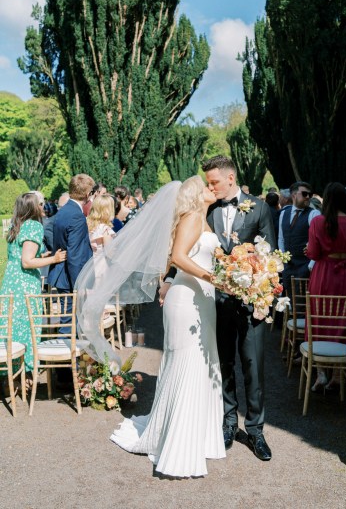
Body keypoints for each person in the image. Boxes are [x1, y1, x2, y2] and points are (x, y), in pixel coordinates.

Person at [76, 177, 225, 478]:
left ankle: (201, 438)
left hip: (201, 302)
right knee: (187, 365)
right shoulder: (193, 217)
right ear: (197, 193)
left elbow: (198, 257)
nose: (213, 188)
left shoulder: (203, 219)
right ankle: (178, 444)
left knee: (201, 364)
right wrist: (214, 279)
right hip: (187, 301)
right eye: (208, 186)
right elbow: (178, 258)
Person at [201, 155, 276, 461]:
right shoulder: (207, 209)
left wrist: (263, 299)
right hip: (216, 301)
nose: (210, 186)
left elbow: (271, 256)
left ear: (230, 178)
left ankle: (256, 431)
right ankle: (228, 422)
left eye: (214, 181)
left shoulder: (259, 208)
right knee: (224, 363)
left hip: (250, 302)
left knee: (253, 366)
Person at [0, 193, 66, 382]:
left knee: (11, 329)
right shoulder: (34, 226)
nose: (43, 207)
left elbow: (20, 256)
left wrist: (43, 256)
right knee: (28, 328)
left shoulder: (17, 225)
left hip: (11, 282)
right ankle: (26, 374)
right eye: (40, 204)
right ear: (32, 207)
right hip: (24, 285)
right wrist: (54, 259)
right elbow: (27, 262)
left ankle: (10, 376)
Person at [306, 182, 346, 391]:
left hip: (324, 274)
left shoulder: (319, 222)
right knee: (343, 318)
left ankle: (321, 373)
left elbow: (312, 253)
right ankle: (338, 374)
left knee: (320, 317)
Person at [48, 173, 94, 368]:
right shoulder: (76, 216)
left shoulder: (63, 211)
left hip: (60, 274)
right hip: (70, 278)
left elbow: (52, 238)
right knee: (68, 324)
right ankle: (67, 374)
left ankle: (68, 371)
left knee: (68, 321)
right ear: (86, 195)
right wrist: (80, 285)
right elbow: (74, 256)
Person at [278, 181, 320, 297]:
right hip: (288, 266)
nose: (308, 197)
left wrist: (311, 264)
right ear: (294, 195)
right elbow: (281, 238)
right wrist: (282, 259)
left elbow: (318, 240)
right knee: (287, 301)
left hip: (305, 266)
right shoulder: (283, 214)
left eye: (310, 195)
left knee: (303, 303)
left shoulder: (314, 214)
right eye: (305, 194)